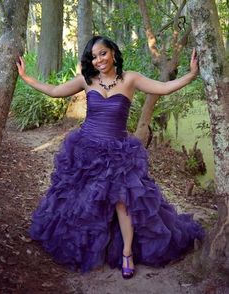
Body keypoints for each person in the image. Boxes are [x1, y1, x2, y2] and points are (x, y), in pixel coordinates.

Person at [16, 35, 204, 279]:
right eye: (94, 57)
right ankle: (86, 247)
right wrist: (26, 77)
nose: (98, 60)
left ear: (113, 53)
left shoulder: (130, 78)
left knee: (122, 202)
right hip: (86, 150)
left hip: (117, 152)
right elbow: (54, 91)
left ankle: (127, 253)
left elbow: (164, 88)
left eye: (102, 53)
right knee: (82, 200)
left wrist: (191, 75)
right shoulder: (87, 81)